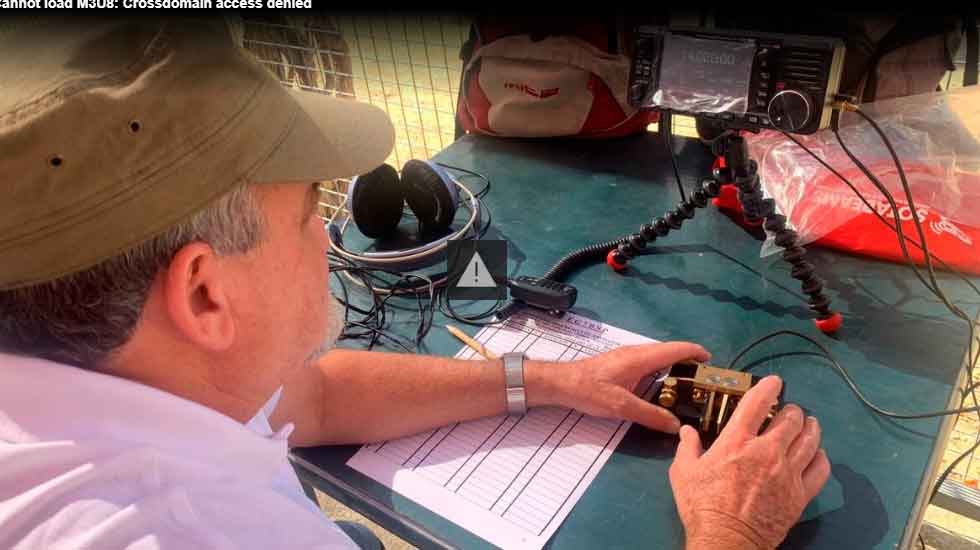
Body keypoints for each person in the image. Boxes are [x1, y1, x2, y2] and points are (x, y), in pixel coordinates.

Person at [0, 17, 829, 550]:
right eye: (307, 217)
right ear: (205, 295)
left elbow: (314, 398)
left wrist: (555, 380)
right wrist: (731, 531)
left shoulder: (98, 368)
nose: (333, 239)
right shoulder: (188, 532)